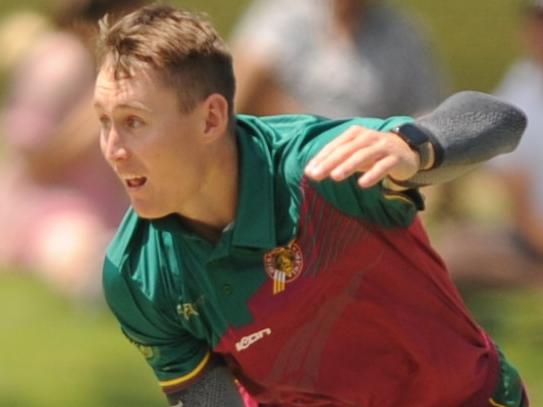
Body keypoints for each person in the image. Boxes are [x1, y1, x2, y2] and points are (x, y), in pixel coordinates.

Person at [94, 4, 529, 406]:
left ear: (210, 119)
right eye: (104, 122)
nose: (112, 149)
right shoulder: (137, 273)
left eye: (134, 122)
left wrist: (415, 148)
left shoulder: (322, 171)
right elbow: (206, 396)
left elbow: (499, 119)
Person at [0, 0, 145, 299]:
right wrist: (109, 104)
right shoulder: (62, 60)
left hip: (107, 210)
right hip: (47, 213)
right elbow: (37, 165)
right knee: (75, 248)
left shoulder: (116, 62)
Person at [432, 0, 543, 287]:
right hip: (528, 239)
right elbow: (517, 194)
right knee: (447, 250)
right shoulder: (522, 83)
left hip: (530, 241)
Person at [230, 0, 446, 118]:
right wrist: (311, 132)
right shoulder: (284, 14)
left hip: (370, 155)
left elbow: (428, 110)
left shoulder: (402, 34)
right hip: (291, 142)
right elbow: (244, 77)